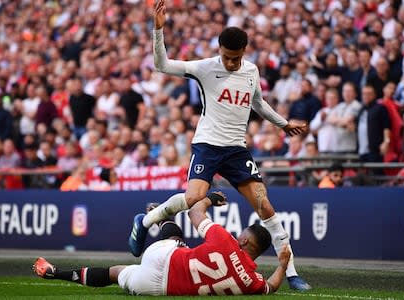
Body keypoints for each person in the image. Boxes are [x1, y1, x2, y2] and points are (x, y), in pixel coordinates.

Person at [127, 0, 310, 291]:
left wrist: (283, 123)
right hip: (208, 146)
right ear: (219, 50)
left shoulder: (251, 71)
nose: (231, 63)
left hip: (237, 150)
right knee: (192, 199)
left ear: (243, 53)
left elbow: (259, 104)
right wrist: (158, 30)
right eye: (226, 57)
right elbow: (161, 65)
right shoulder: (204, 68)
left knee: (266, 207)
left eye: (235, 58)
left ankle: (292, 273)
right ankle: (145, 220)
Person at [33, 193, 291, 295]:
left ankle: (151, 218)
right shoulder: (252, 281)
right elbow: (271, 286)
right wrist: (282, 265)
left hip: (164, 257)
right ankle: (56, 273)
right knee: (115, 273)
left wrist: (209, 198)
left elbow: (195, 213)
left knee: (176, 239)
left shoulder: (225, 240)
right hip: (158, 288)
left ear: (244, 240)